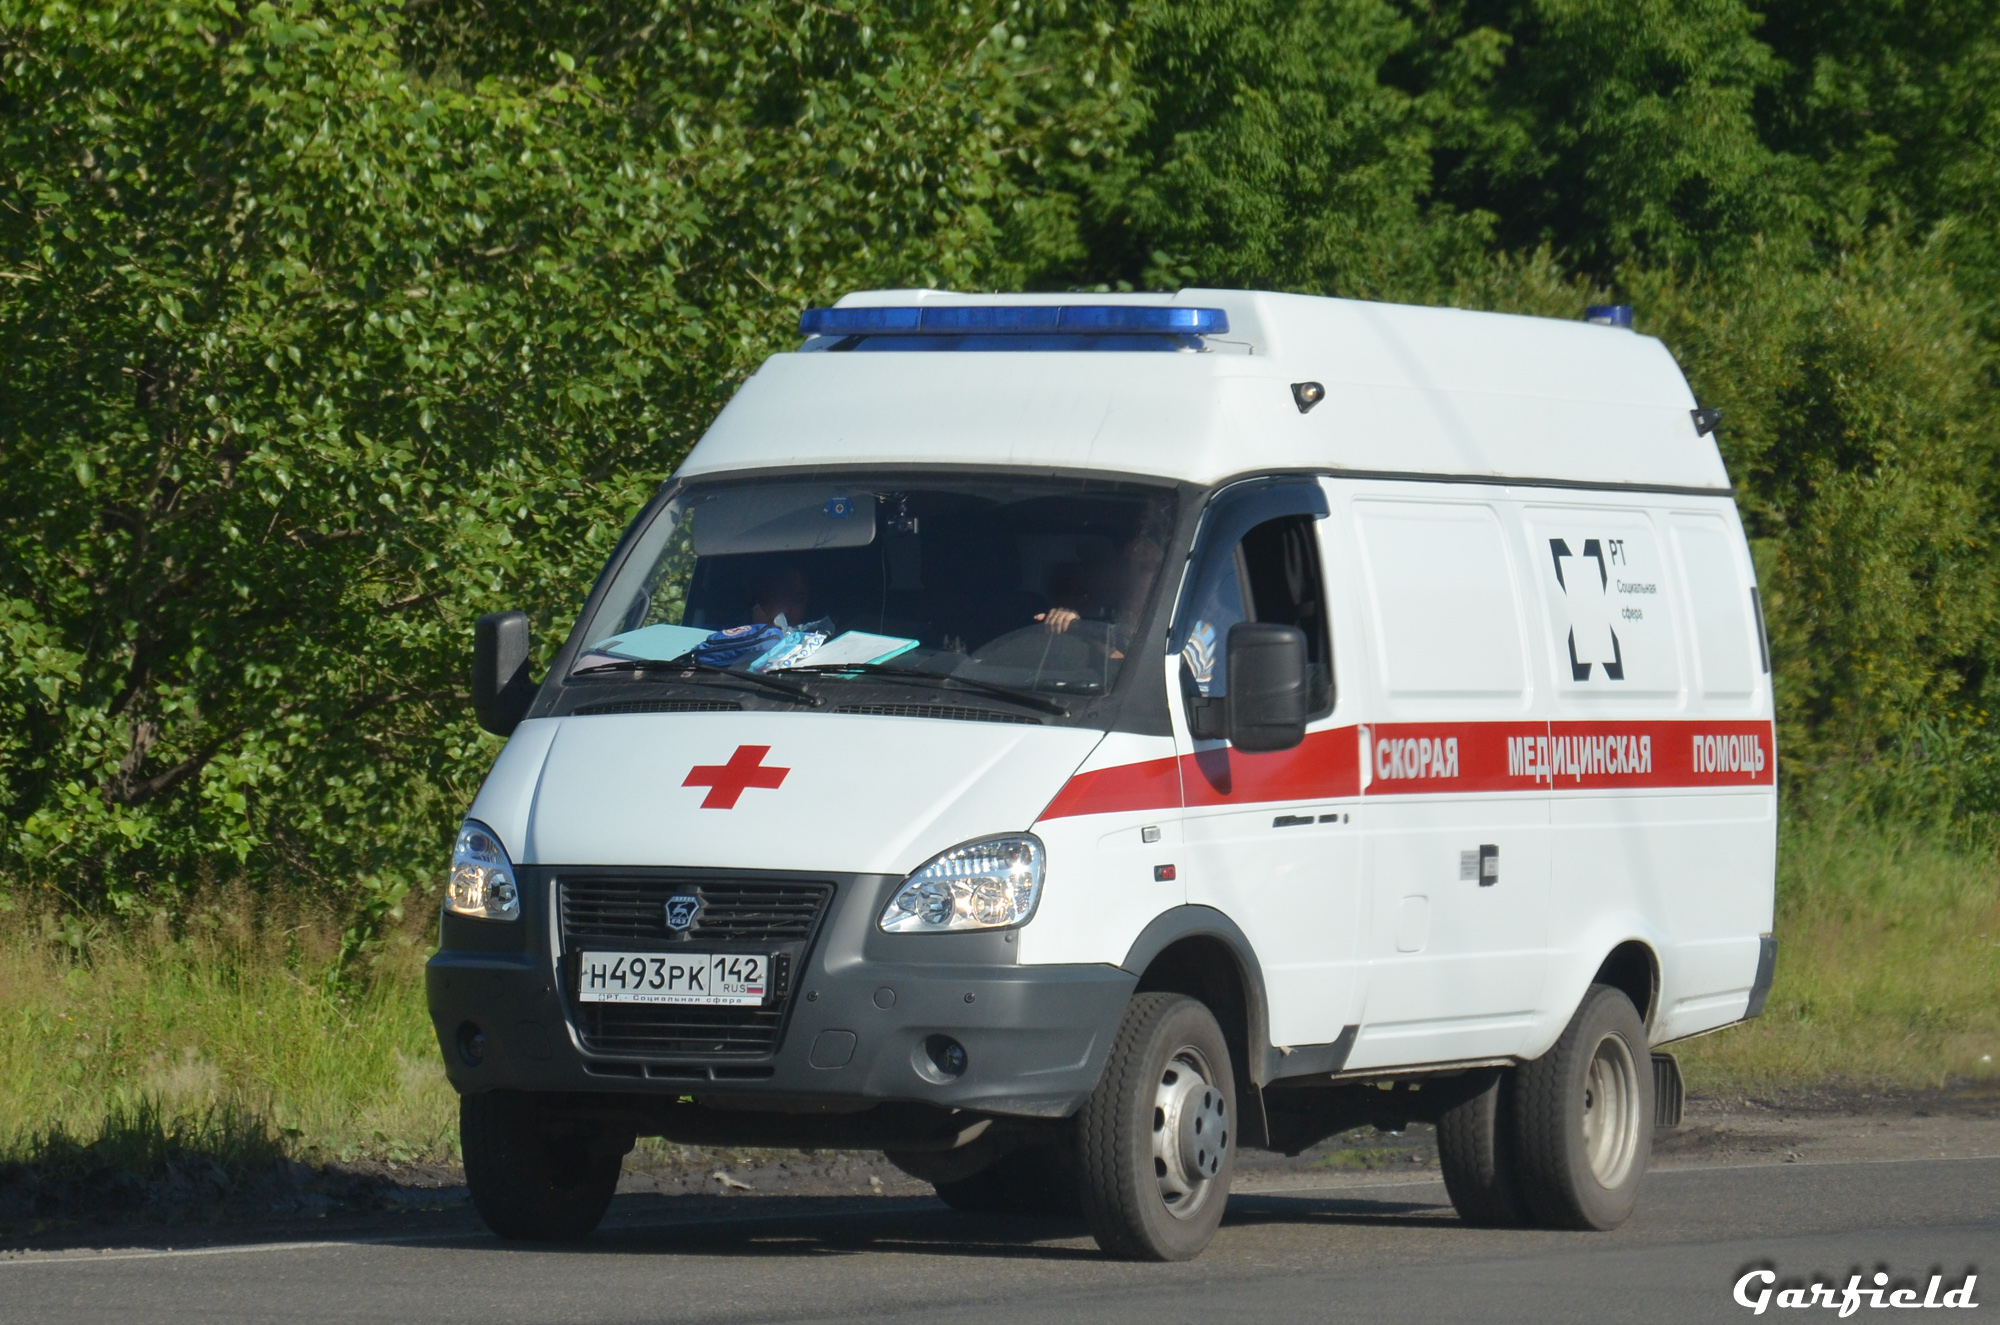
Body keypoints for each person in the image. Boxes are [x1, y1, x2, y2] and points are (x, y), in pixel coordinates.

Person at [1035, 537, 1163, 660]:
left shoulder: (1171, 626)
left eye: (1144, 567)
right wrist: (1073, 625)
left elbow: (1129, 664)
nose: (1133, 574)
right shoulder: (1104, 618)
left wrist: (1083, 631)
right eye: (1126, 565)